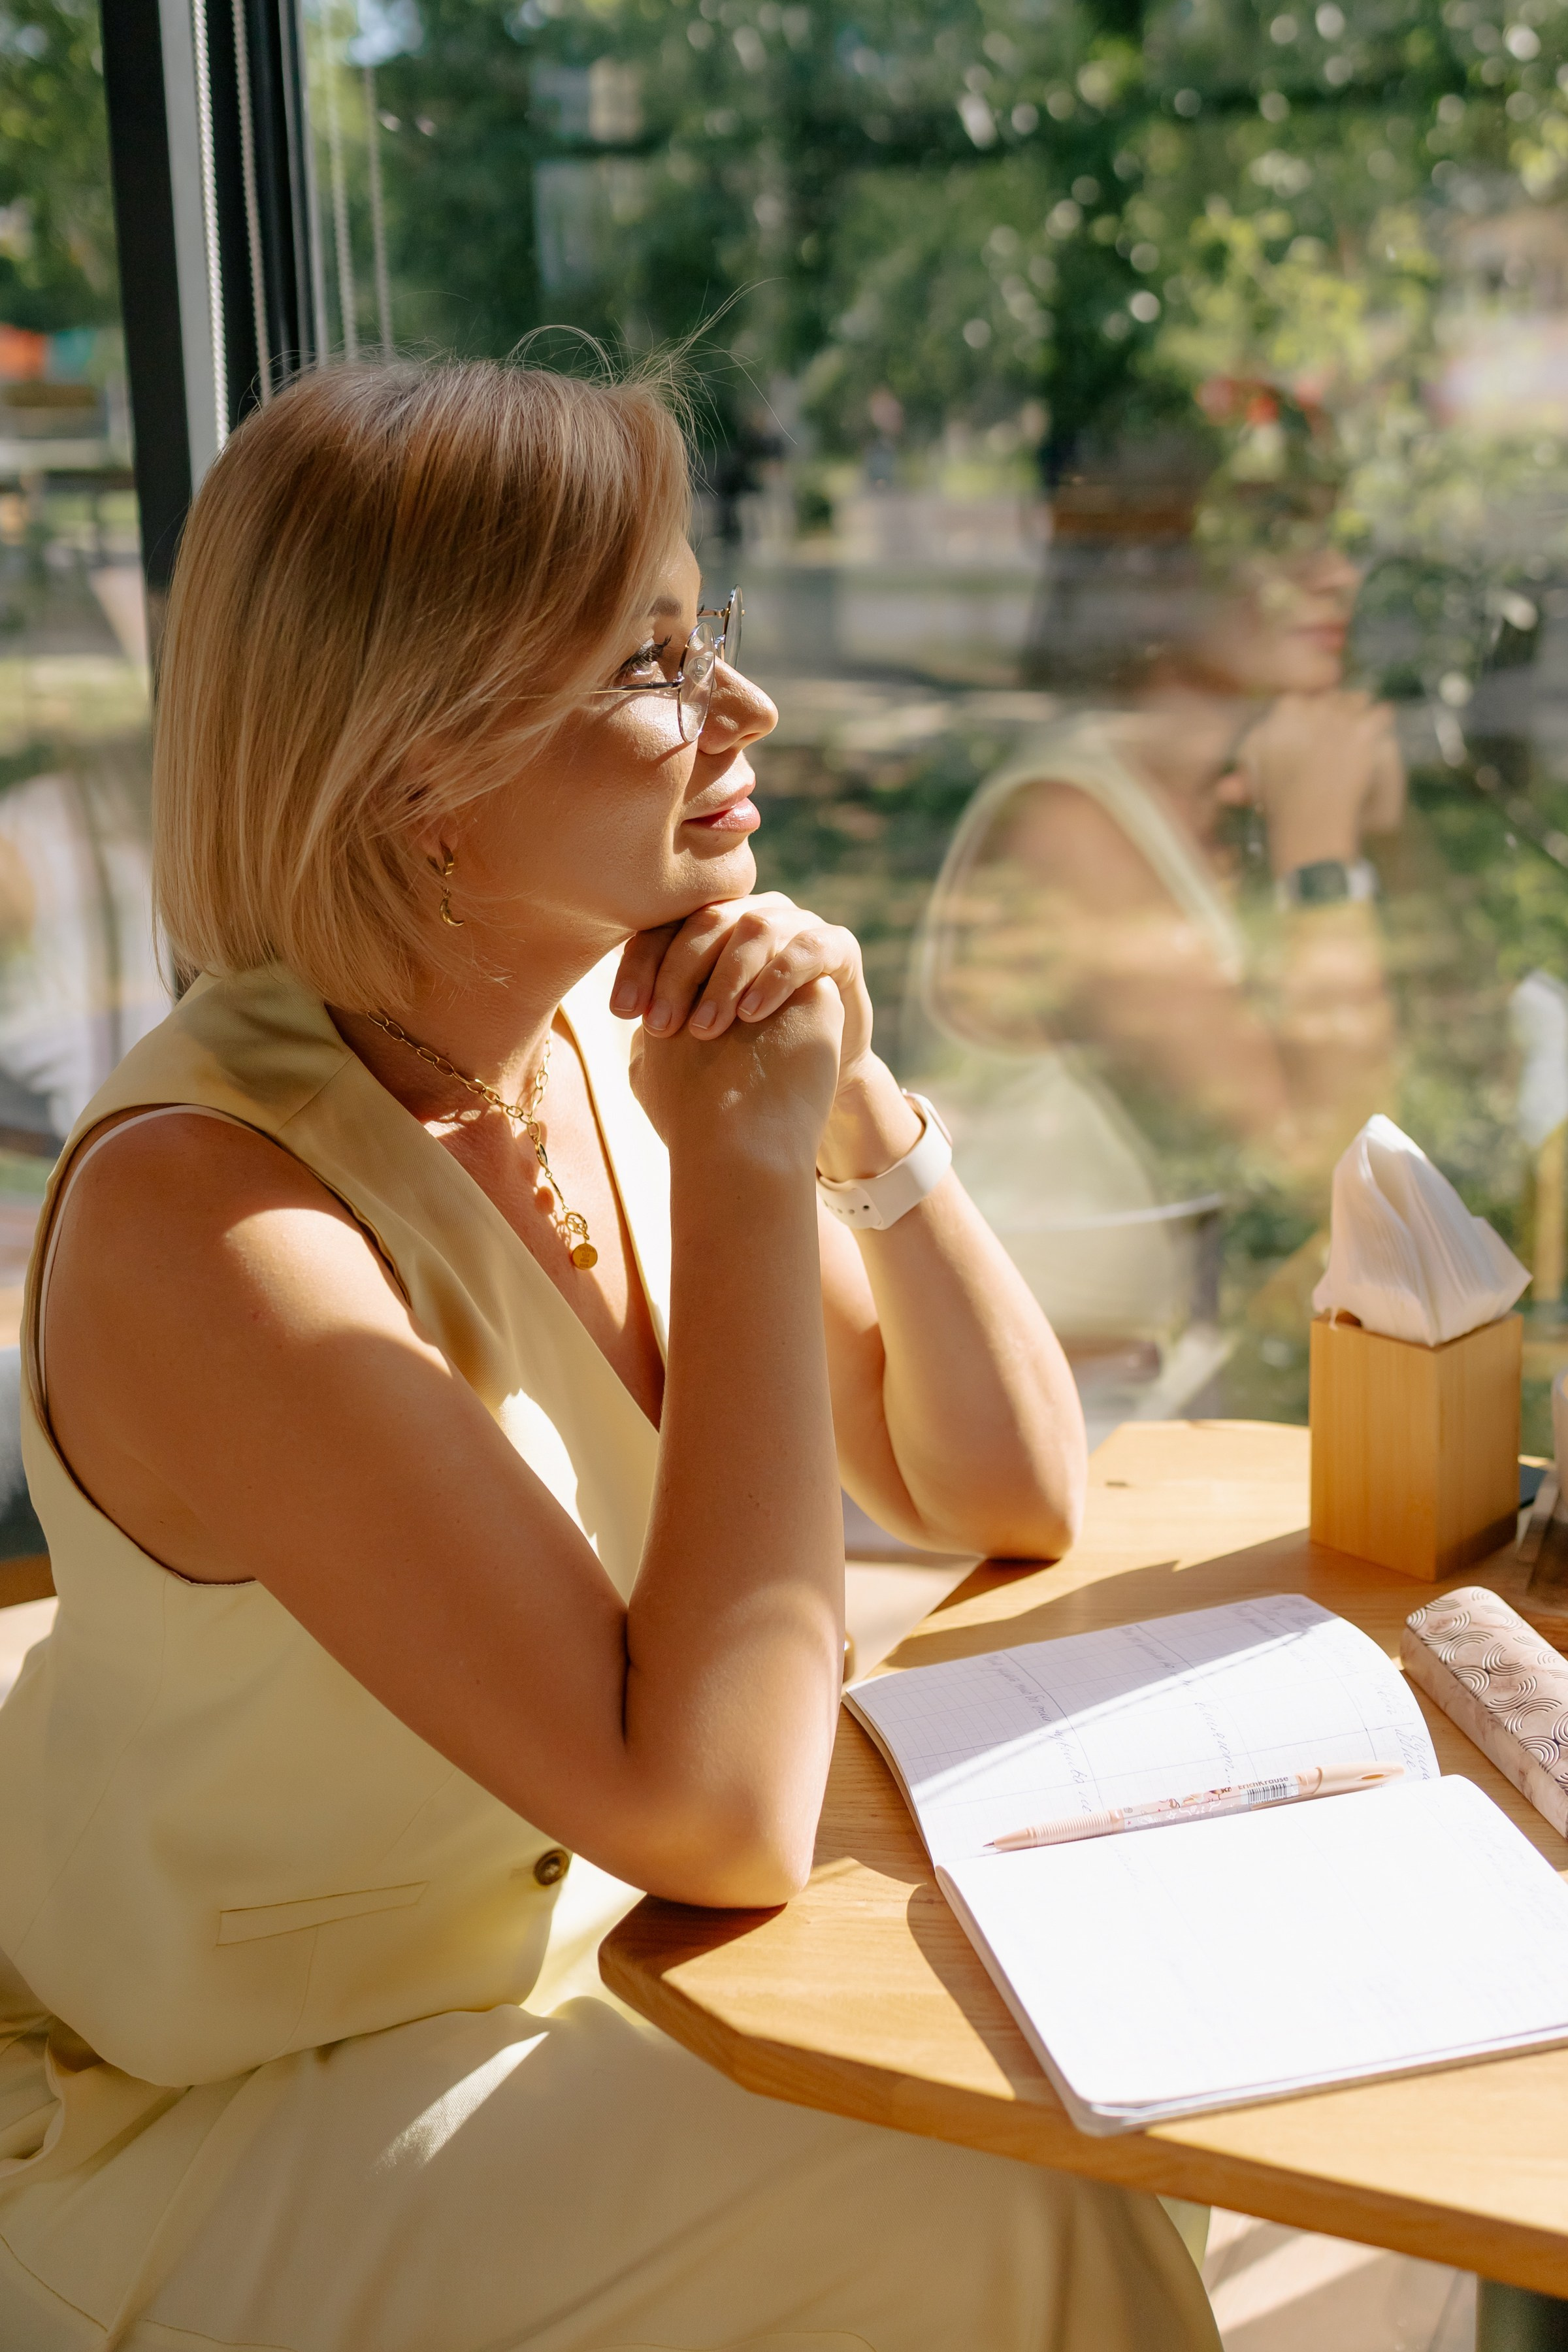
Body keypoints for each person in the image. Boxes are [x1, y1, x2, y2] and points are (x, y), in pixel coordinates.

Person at [0, 363, 1219, 2352]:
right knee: (1012, 2197)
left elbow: (1004, 1481)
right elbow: (718, 1812)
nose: (748, 708)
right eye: (653, 663)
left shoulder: (585, 1049)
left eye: (702, 626)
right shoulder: (209, 1228)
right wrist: (739, 1173)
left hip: (600, 1985)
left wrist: (858, 1108)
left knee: (1089, 2104)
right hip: (220, 2120)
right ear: (419, 765)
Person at [909, 383, 1404, 1362]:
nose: (1339, 575)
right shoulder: (1067, 829)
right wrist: (1322, 861)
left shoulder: (1222, 793)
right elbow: (1336, 1180)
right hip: (1053, 1421)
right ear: (1163, 565)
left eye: (1337, 535)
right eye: (1280, 534)